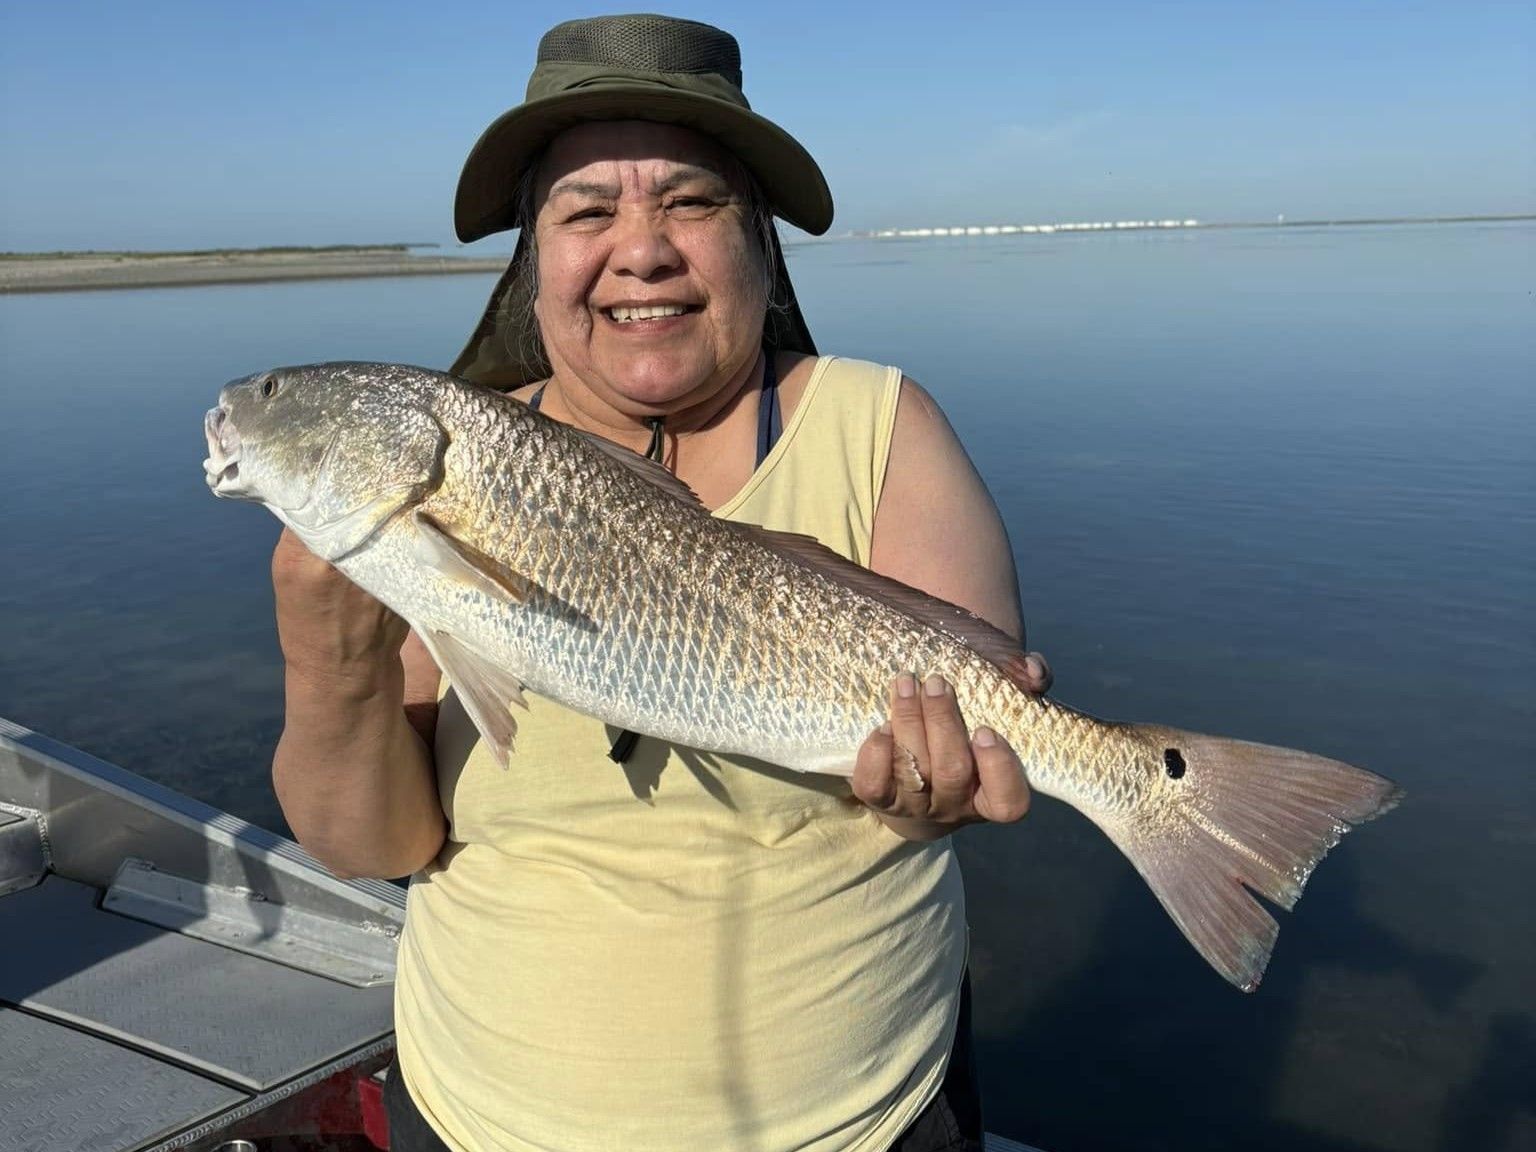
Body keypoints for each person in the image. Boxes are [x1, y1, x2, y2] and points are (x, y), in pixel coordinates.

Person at [270, 14, 1050, 1152]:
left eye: (689, 202)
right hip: (484, 1115)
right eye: (587, 210)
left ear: (759, 245)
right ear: (533, 263)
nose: (640, 250)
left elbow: (986, 741)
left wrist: (938, 797)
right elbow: (371, 848)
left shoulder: (884, 425)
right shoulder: (446, 473)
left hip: (856, 1122)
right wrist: (326, 656)